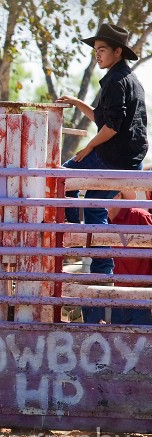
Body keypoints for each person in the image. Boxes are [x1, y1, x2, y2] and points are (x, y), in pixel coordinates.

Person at [56, 23, 148, 324]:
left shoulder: (115, 81)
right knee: (95, 210)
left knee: (63, 176)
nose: (98, 55)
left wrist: (85, 150)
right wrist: (77, 102)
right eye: (95, 50)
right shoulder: (129, 80)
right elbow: (103, 118)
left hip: (113, 154)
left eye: (102, 50)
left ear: (117, 52)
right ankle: (99, 271)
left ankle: (70, 238)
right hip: (129, 158)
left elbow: (111, 127)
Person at [107, 191, 152, 325]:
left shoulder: (139, 217)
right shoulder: (99, 221)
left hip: (142, 297)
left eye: (105, 192)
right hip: (115, 297)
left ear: (118, 195)